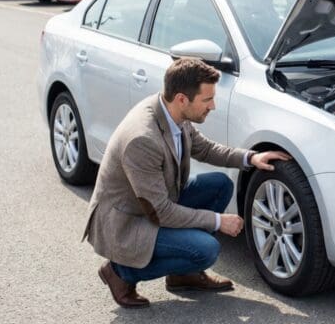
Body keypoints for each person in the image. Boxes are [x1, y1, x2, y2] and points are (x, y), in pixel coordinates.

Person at [82, 58, 291, 308]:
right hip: (128, 223)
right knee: (206, 250)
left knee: (220, 185)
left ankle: (183, 276)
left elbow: (205, 149)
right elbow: (160, 212)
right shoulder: (143, 139)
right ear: (182, 99)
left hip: (154, 204)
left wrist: (250, 157)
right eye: (207, 99)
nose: (213, 106)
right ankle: (120, 272)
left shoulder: (172, 112)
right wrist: (218, 221)